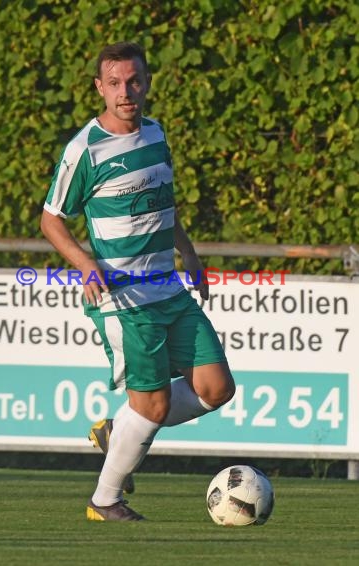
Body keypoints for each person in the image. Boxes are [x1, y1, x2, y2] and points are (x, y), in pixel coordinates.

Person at [40, 42, 236, 522]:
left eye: (133, 81)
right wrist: (86, 265)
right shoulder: (84, 149)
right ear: (99, 88)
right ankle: (104, 500)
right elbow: (51, 220)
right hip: (123, 296)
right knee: (153, 402)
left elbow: (162, 204)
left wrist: (187, 252)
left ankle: (117, 430)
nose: (125, 91)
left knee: (216, 389)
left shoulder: (155, 132)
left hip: (168, 286)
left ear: (146, 82)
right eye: (114, 83)